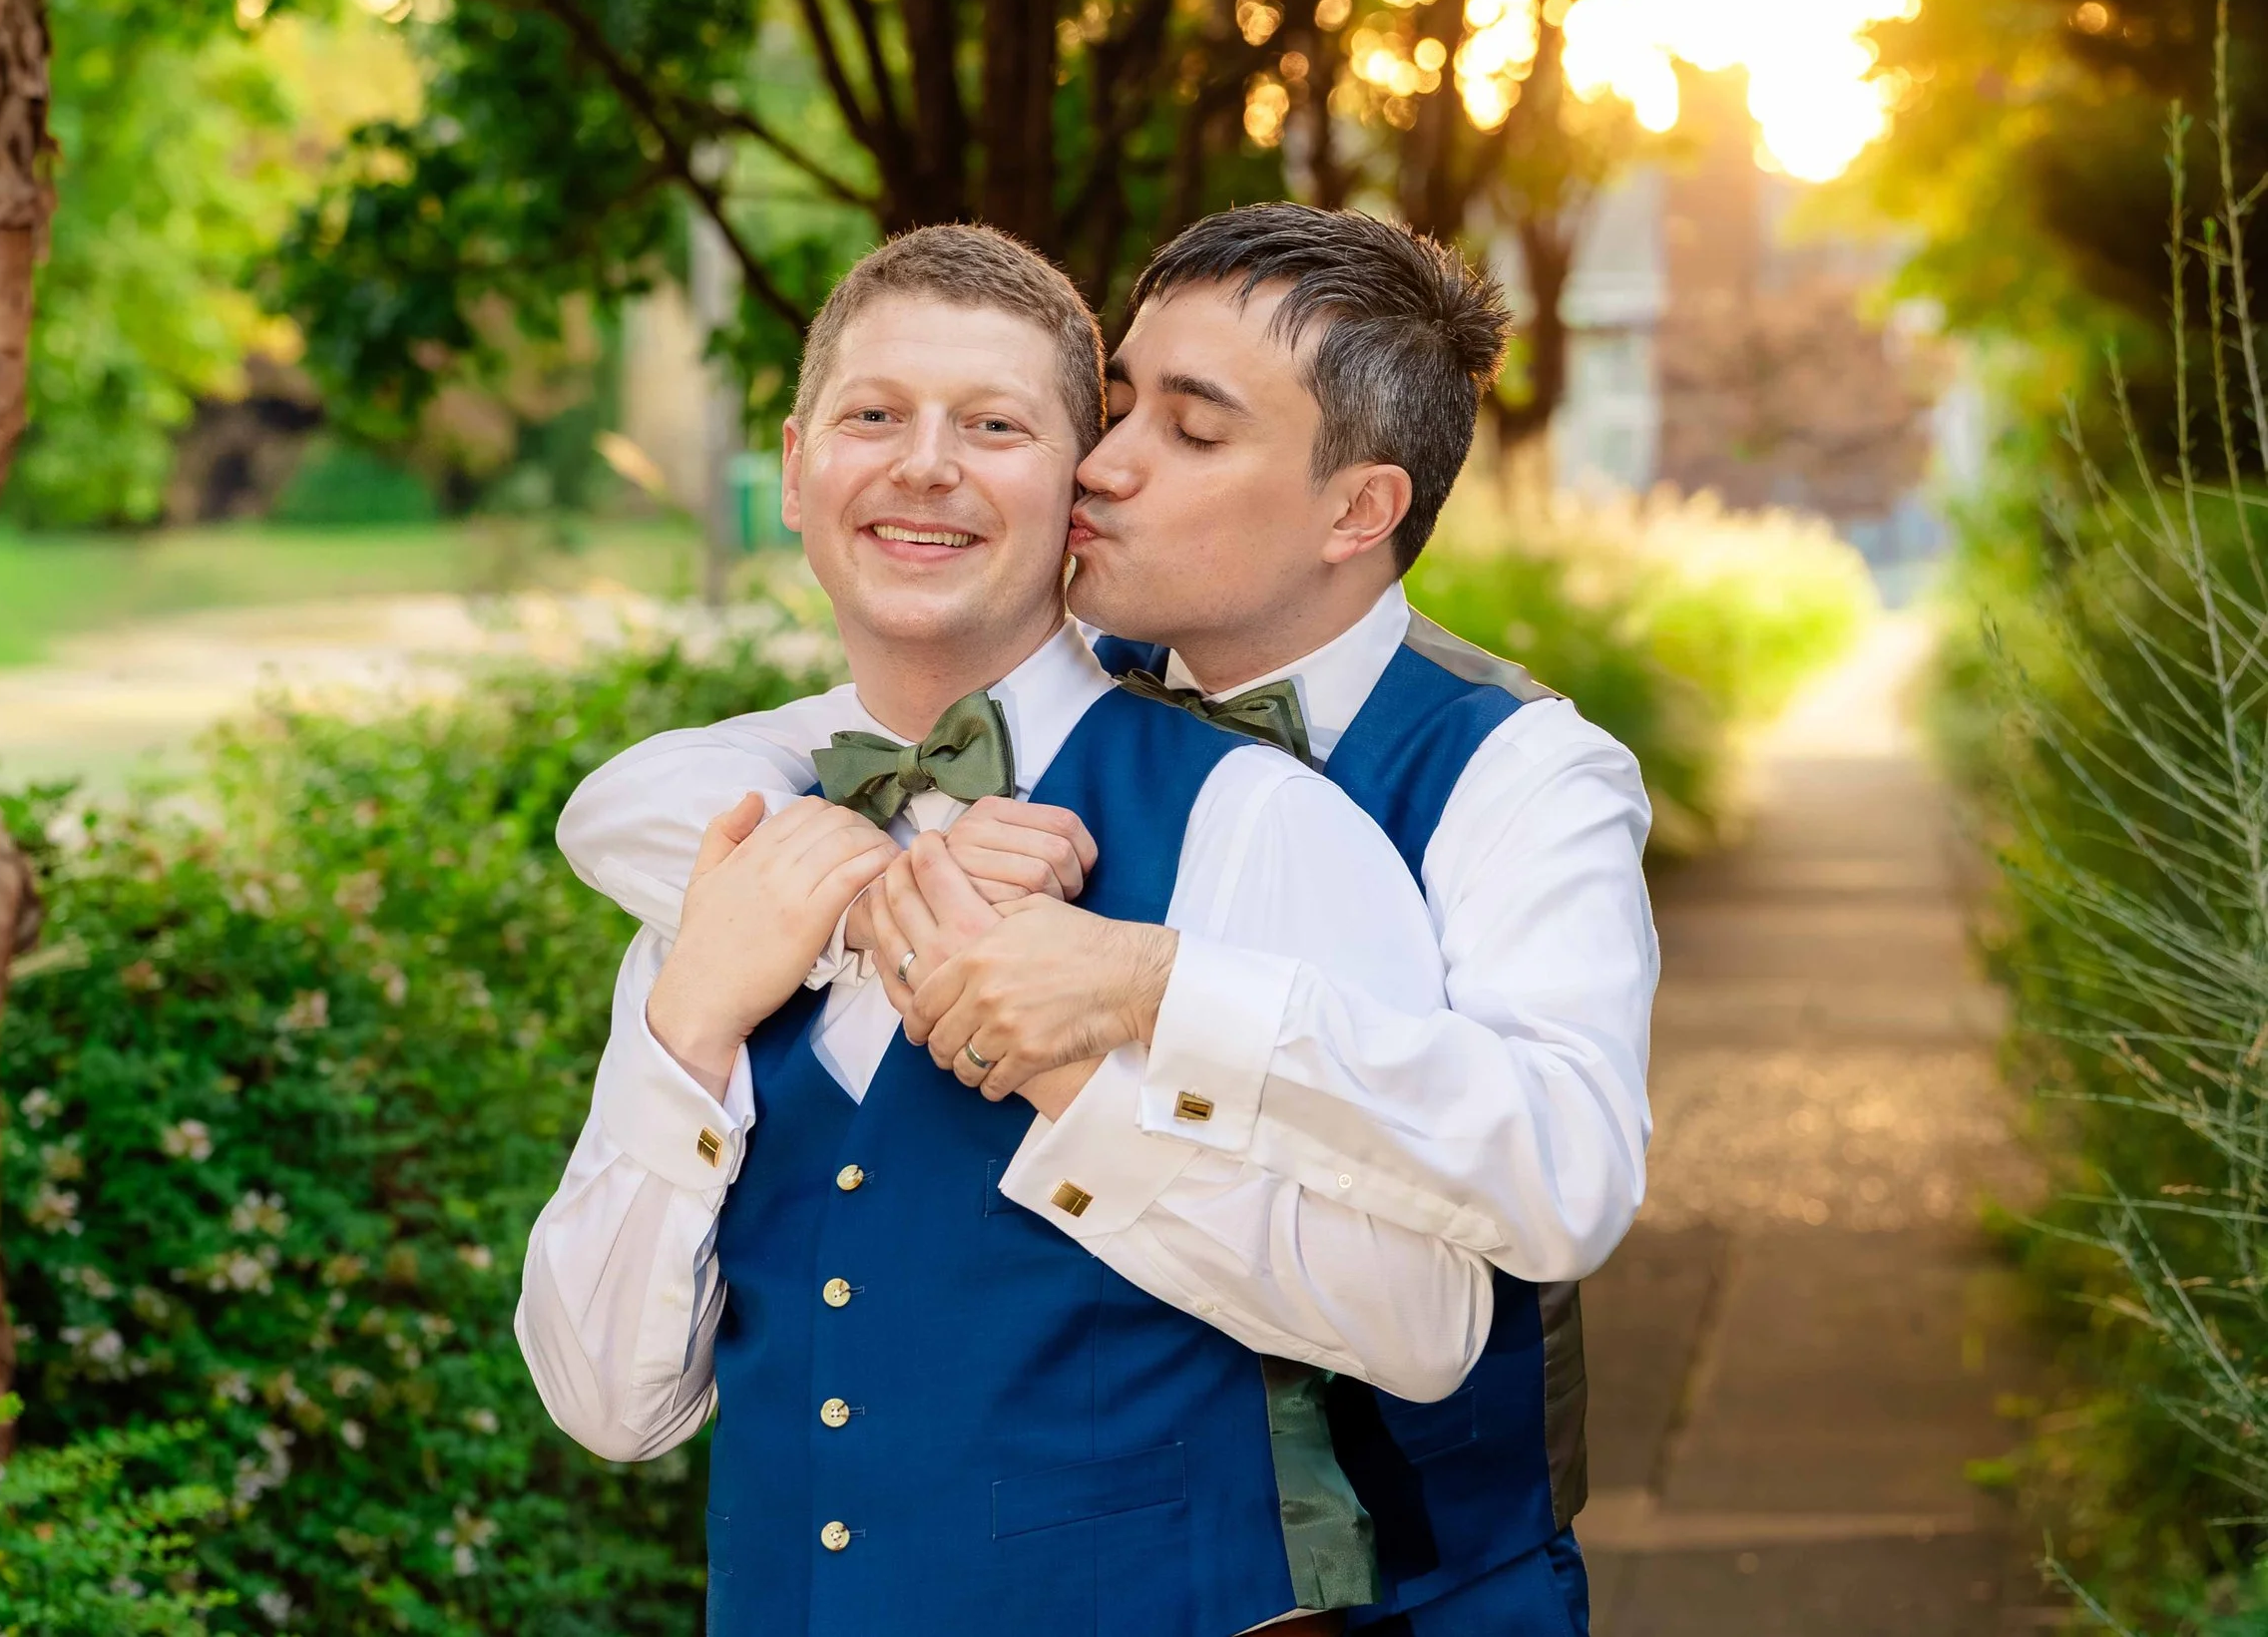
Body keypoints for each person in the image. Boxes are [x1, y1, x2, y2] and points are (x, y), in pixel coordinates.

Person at [559, 204, 1658, 1635]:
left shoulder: (1513, 772)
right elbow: (651, 791)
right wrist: (875, 889)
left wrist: (1147, 990)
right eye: (1119, 403)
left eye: (1192, 433)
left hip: (1440, 1571)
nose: (1110, 463)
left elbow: (1563, 1172)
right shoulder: (1045, 707)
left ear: (1355, 509)